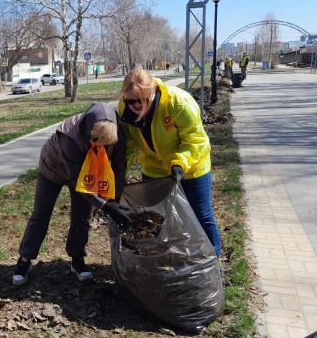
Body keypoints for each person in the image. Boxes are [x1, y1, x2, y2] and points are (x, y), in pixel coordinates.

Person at [13, 102, 132, 286]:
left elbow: (119, 167)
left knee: (82, 216)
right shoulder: (70, 137)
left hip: (88, 171)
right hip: (53, 170)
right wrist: (104, 205)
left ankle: (77, 260)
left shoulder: (117, 133)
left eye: (106, 143)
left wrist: (115, 199)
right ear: (88, 130)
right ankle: (24, 260)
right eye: (96, 140)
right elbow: (80, 183)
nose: (100, 145)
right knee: (41, 214)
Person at [117, 68, 222, 258]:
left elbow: (195, 140)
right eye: (130, 100)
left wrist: (180, 163)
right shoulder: (125, 109)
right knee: (159, 220)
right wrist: (118, 173)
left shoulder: (178, 103)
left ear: (153, 91)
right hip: (154, 169)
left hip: (191, 167)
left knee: (201, 216)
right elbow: (129, 146)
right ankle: (169, 261)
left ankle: (211, 264)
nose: (135, 105)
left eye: (141, 100)